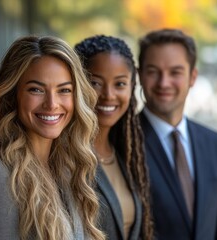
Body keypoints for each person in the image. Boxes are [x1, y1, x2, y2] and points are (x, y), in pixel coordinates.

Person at [0, 35, 105, 240]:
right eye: (36, 90)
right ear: (13, 95)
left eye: (64, 90)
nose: (52, 104)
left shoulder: (69, 170)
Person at [138, 28, 217, 240]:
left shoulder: (213, 142)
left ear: (192, 77)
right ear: (139, 75)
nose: (164, 82)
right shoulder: (124, 140)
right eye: (153, 71)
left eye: (175, 72)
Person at [75, 35, 153, 240]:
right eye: (96, 83)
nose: (108, 95)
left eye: (120, 84)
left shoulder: (126, 153)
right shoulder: (66, 156)